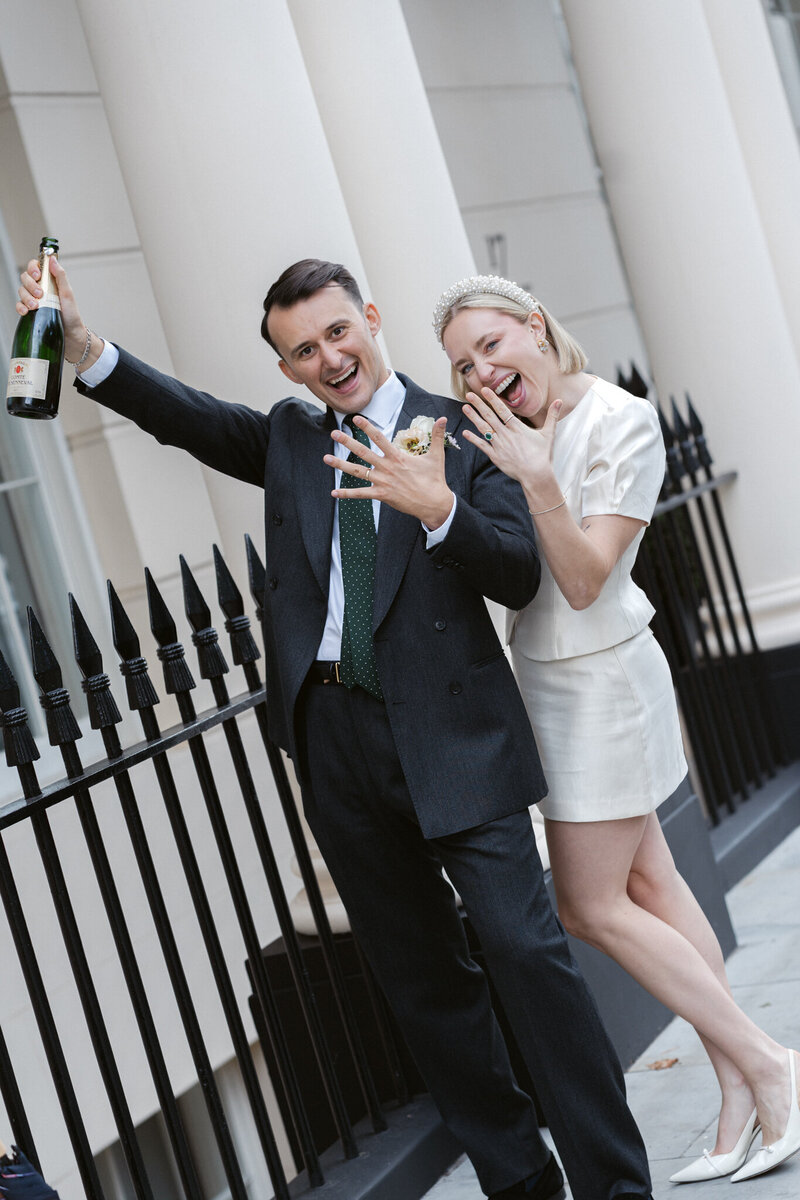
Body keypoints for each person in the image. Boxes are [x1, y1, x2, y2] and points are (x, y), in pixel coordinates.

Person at [17, 256, 655, 1200]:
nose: (329, 358)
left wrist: (439, 508)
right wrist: (83, 348)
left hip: (458, 738)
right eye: (303, 350)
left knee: (529, 962)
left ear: (371, 318)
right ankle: (520, 1183)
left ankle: (613, 1186)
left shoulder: (467, 422)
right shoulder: (288, 440)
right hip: (339, 745)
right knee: (427, 989)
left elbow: (522, 572)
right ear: (288, 370)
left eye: (338, 332)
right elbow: (189, 418)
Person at [434, 273, 800, 1186]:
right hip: (545, 679)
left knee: (589, 905)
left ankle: (769, 1060)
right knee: (654, 882)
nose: (481, 367)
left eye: (491, 344)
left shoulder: (621, 420)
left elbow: (587, 576)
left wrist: (538, 476)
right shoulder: (500, 435)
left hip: (604, 679)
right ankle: (741, 1091)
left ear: (534, 326)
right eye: (461, 361)